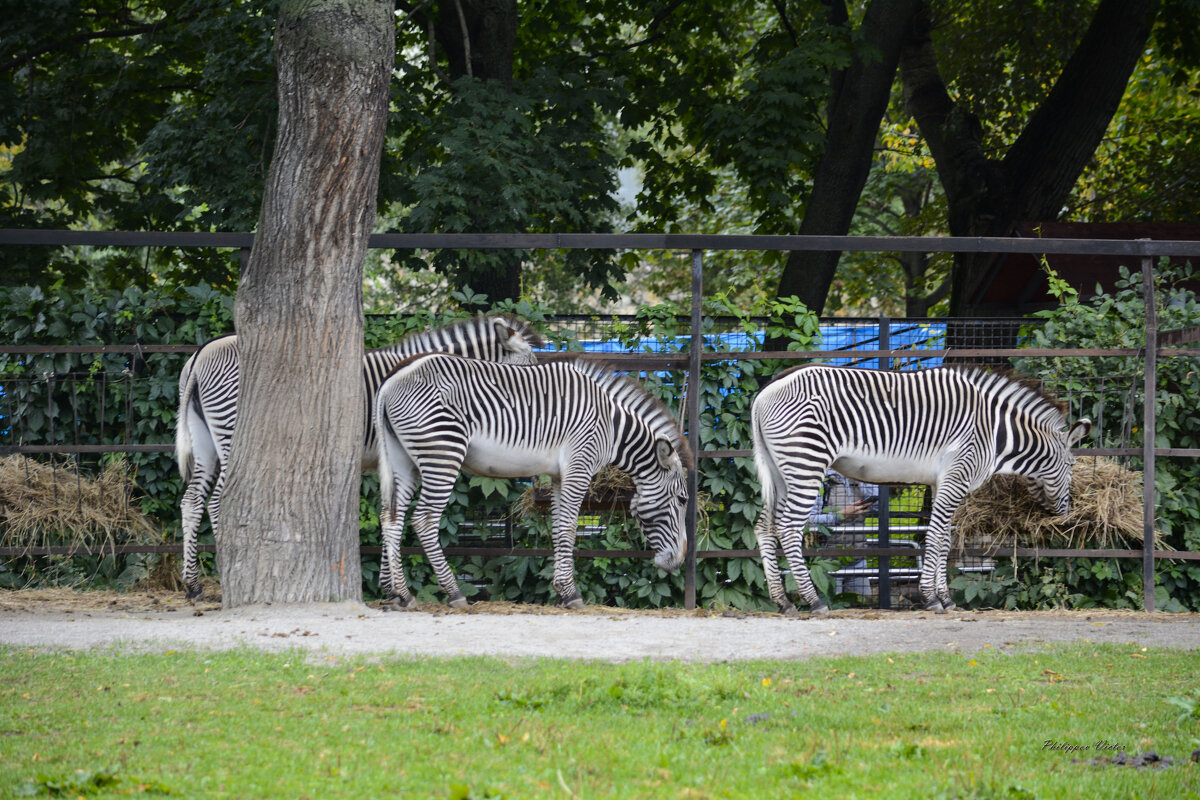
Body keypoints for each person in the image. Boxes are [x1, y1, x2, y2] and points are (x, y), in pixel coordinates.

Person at [809, 469, 878, 527]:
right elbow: (809, 521)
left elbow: (877, 508)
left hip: (861, 542)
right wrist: (840, 516)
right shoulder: (820, 480)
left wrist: (868, 473)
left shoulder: (859, 478)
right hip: (830, 542)